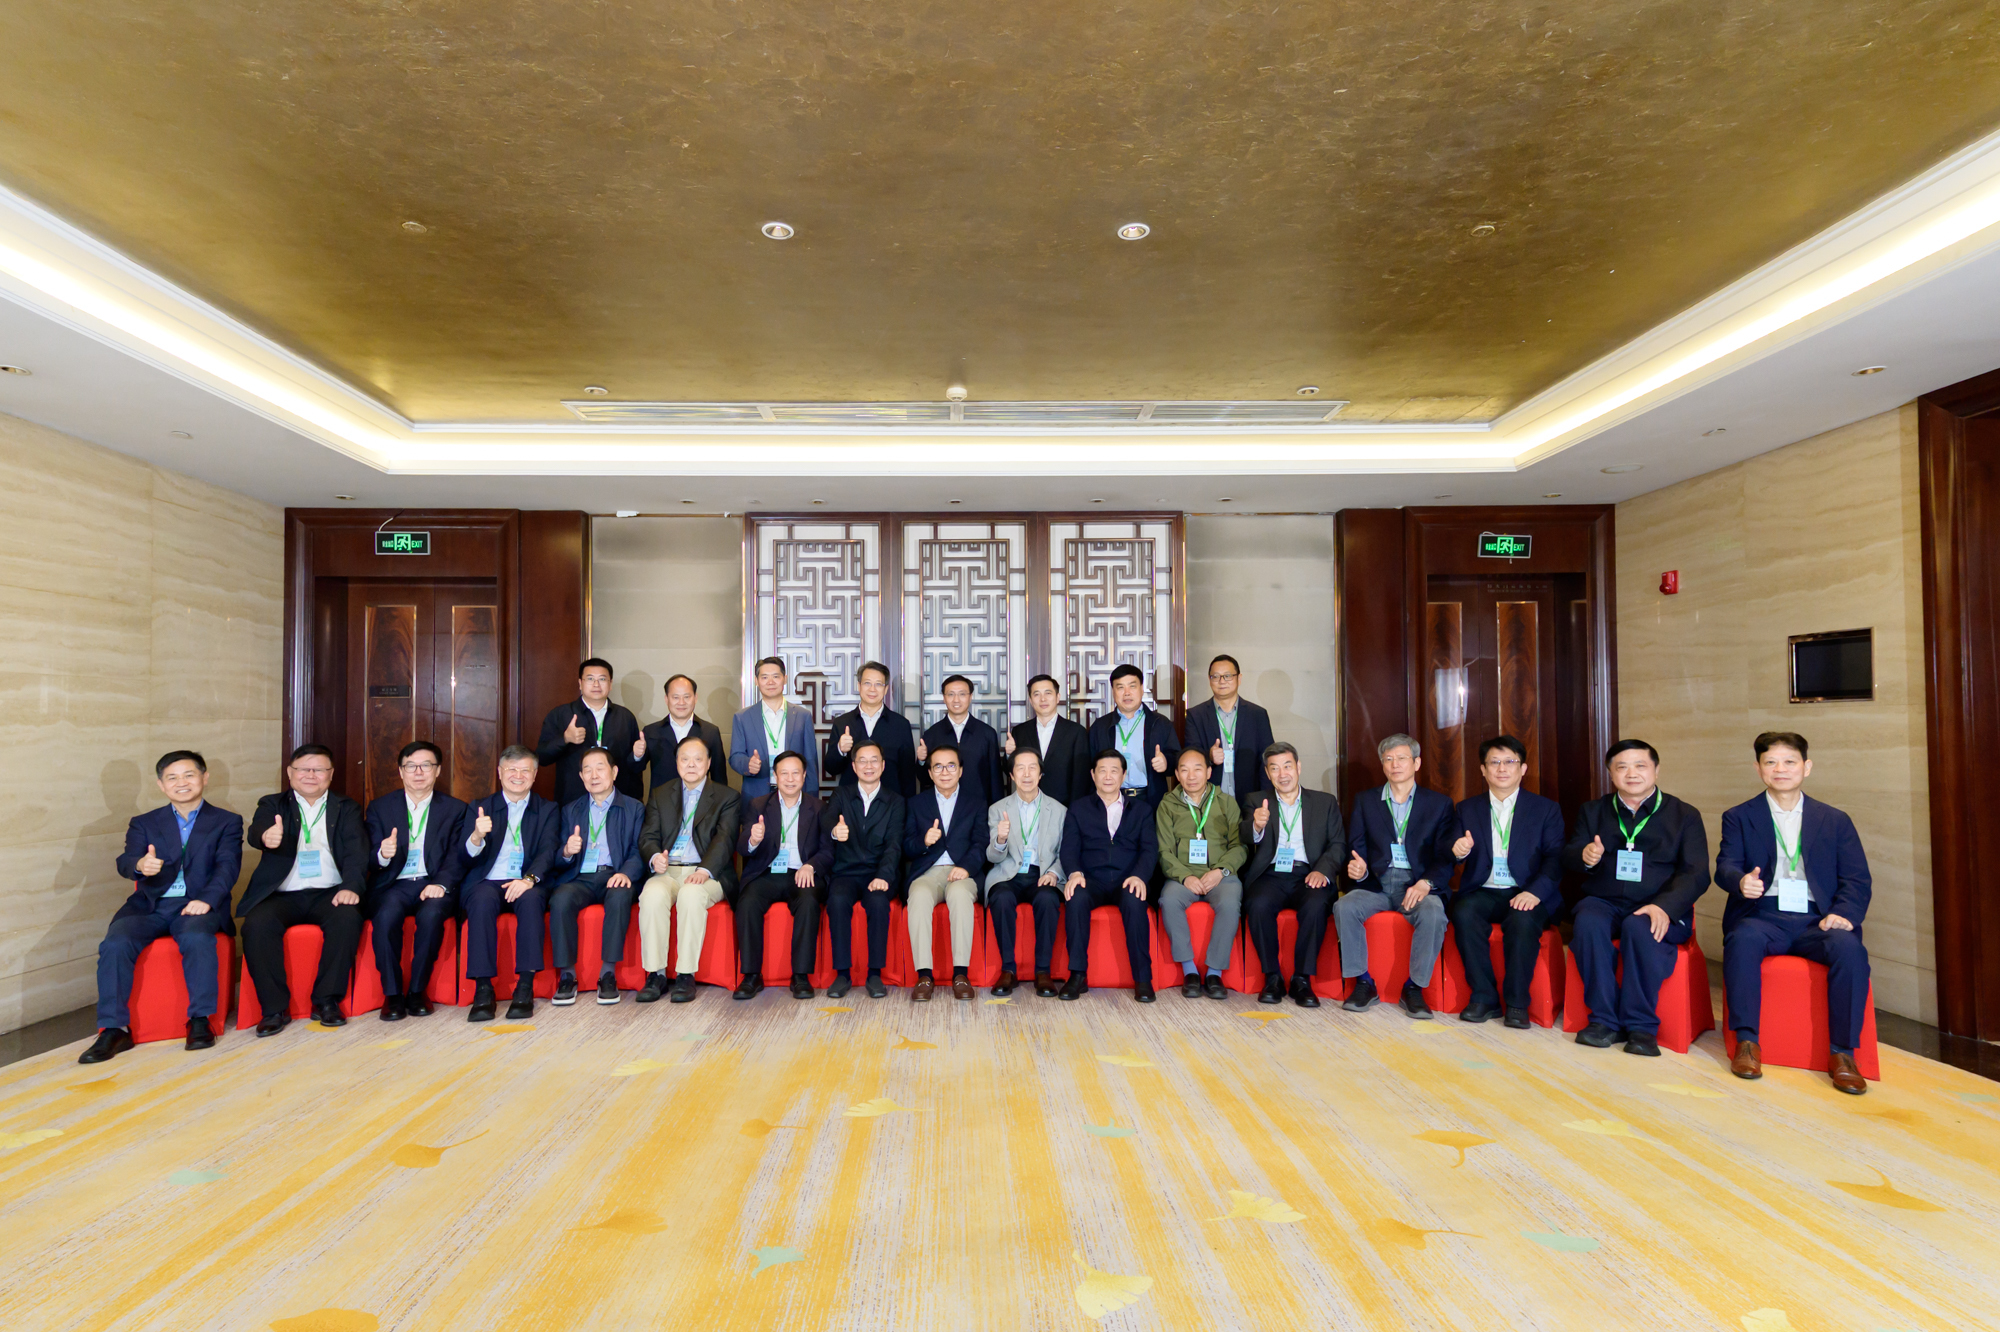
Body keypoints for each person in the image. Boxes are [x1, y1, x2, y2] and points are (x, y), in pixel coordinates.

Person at [1715, 732, 1872, 1094]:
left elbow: (1857, 878)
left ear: (1807, 767)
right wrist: (1740, 882)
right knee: (1742, 940)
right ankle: (1747, 1043)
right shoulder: (1739, 816)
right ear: (1758, 768)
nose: (1780, 769)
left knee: (1849, 949)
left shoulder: (1834, 820)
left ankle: (1843, 1054)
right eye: (1770, 762)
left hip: (1817, 918)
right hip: (1762, 914)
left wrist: (1843, 913)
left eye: (1789, 761)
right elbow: (1726, 865)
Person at [81, 751, 243, 1063]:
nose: (181, 782)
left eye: (189, 775)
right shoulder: (144, 823)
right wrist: (140, 865)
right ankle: (114, 1029)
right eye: (172, 777)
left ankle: (199, 1021)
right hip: (149, 906)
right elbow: (126, 861)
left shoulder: (227, 821)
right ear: (161, 784)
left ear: (204, 778)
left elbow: (228, 867)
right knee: (115, 943)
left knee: (196, 938)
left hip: (197, 904)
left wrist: (206, 900)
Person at [1564, 739, 1711, 1056]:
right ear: (1611, 773)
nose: (1632, 773)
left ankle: (1641, 1027)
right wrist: (1585, 856)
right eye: (1622, 767)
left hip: (1657, 903)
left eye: (1640, 766)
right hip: (1603, 900)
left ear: (1656, 770)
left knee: (1639, 927)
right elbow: (1571, 853)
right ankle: (1603, 1021)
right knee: (1587, 922)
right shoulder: (1593, 811)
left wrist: (1664, 906)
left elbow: (1697, 873)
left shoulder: (1684, 815)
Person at [238, 744, 369, 1035]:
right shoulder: (272, 804)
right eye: (303, 769)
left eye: (319, 769)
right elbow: (256, 832)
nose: (311, 775)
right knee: (256, 925)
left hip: (329, 891)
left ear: (331, 774)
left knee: (348, 919)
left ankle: (327, 1001)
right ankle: (273, 1009)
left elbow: (356, 852)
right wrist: (266, 836)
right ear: (290, 772)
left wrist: (351, 887)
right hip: (282, 894)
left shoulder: (346, 807)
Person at [1445, 735, 1566, 1028]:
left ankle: (1517, 1003)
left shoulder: (1545, 809)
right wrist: (1458, 851)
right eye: (1494, 762)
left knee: (1522, 920)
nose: (1502, 768)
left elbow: (1555, 858)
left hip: (1526, 890)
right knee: (1463, 912)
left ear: (1522, 769)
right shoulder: (1467, 808)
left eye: (1510, 761)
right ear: (1483, 770)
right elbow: (1452, 850)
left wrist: (1535, 892)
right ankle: (1484, 998)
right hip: (1483, 889)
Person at [1336, 733, 1457, 1017]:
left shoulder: (1438, 804)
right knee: (1345, 906)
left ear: (1417, 763)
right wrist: (1359, 869)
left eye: (1402, 758)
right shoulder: (1366, 800)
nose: (1395, 764)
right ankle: (1363, 982)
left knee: (1433, 912)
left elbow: (1444, 856)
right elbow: (1357, 847)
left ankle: (1414, 987)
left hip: (1416, 885)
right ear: (1382, 764)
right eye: (1388, 759)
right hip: (1376, 885)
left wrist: (1426, 883)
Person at [362, 741, 467, 1021]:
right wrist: (382, 855)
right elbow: (367, 857)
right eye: (411, 766)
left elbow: (456, 856)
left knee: (432, 916)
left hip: (433, 882)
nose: (418, 772)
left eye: (426, 765)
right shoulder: (380, 808)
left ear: (438, 770)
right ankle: (392, 994)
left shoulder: (455, 809)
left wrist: (441, 884)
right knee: (386, 917)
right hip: (393, 884)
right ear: (401, 771)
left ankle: (418, 991)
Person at [637, 735, 743, 1002]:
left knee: (691, 894)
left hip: (707, 873)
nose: (691, 765)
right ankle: (656, 974)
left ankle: (685, 975)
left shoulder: (727, 797)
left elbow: (725, 840)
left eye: (698, 759)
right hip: (668, 870)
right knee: (651, 895)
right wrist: (654, 857)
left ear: (708, 763)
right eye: (685, 759)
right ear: (677, 763)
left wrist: (704, 870)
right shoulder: (661, 794)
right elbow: (648, 836)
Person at [460, 746, 561, 1022]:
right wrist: (476, 837)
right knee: (481, 900)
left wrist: (528, 880)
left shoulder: (547, 809)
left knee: (531, 900)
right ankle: (483, 989)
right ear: (500, 772)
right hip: (487, 880)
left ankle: (525, 987)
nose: (518, 775)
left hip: (526, 879)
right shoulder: (480, 807)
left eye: (525, 770)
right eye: (512, 769)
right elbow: (463, 856)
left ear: (535, 774)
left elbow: (548, 850)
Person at [1239, 742, 1344, 1007]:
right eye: (1274, 768)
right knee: (1258, 904)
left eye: (1287, 766)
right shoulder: (1256, 800)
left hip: (1309, 872)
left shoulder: (1324, 802)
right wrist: (1256, 826)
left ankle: (1302, 979)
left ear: (1298, 767)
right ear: (1267, 773)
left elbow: (1338, 845)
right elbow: (1243, 835)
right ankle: (1272, 977)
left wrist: (1322, 870)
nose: (1282, 774)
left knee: (1316, 904)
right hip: (1270, 874)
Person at [548, 747, 647, 1006]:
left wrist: (626, 873)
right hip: (580, 878)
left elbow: (640, 849)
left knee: (620, 895)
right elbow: (556, 856)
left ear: (614, 772)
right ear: (581, 777)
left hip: (615, 874)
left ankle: (608, 974)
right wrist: (567, 852)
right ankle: (567, 976)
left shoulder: (634, 808)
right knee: (560, 899)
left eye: (600, 768)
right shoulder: (571, 810)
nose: (594, 775)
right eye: (587, 770)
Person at [1058, 750, 1160, 1002]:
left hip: (1128, 879)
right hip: (1091, 879)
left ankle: (1143, 979)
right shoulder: (1078, 809)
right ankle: (1077, 975)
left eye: (1114, 771)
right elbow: (1068, 849)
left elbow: (1149, 850)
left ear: (1123, 775)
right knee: (1075, 897)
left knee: (1135, 901)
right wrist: (1075, 873)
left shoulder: (1142, 810)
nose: (1108, 776)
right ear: (1093, 775)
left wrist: (1139, 876)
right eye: (1102, 770)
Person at [734, 751, 834, 1000]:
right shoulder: (758, 805)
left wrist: (811, 866)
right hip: (767, 872)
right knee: (747, 902)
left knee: (809, 901)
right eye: (784, 773)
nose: (790, 779)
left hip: (802, 872)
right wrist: (753, 839)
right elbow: (742, 847)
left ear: (804, 776)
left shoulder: (819, 807)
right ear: (775, 776)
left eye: (795, 773)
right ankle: (751, 976)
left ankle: (800, 976)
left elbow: (828, 850)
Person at [1156, 747, 1245, 999]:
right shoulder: (1168, 804)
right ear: (1176, 774)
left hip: (1221, 875)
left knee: (1230, 902)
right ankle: (1190, 971)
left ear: (1208, 772)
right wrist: (1185, 876)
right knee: (1169, 900)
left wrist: (1220, 871)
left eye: (1197, 769)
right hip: (1182, 876)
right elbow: (1164, 850)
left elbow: (1239, 846)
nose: (1191, 776)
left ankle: (1214, 973)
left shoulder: (1226, 802)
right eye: (1184, 770)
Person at [902, 744, 986, 1001]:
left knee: (960, 896)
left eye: (951, 766)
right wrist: (924, 842)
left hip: (963, 871)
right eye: (938, 767)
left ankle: (960, 975)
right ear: (929, 773)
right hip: (928, 871)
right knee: (918, 894)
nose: (945, 772)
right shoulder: (917, 803)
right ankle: (924, 976)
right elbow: (906, 846)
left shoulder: (976, 803)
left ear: (960, 770)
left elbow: (981, 842)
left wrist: (966, 867)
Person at [824, 739, 906, 999]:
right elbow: (826, 820)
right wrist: (835, 831)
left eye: (874, 761)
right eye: (862, 760)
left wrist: (883, 876)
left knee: (879, 903)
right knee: (837, 900)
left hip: (878, 872)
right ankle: (842, 974)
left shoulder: (895, 801)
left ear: (883, 765)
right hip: (846, 871)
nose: (868, 766)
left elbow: (894, 844)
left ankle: (874, 973)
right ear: (854, 766)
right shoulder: (841, 795)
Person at [984, 748, 1068, 997]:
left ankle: (1043, 971)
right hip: (1008, 873)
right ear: (1012, 775)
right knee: (1001, 898)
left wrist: (1054, 873)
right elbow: (993, 857)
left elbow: (1065, 852)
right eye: (1020, 768)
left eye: (1033, 768)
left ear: (1041, 774)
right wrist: (1000, 839)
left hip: (1042, 873)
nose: (1027, 774)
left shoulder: (1059, 810)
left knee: (1048, 899)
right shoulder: (998, 809)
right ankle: (1008, 969)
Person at [536, 658, 644, 806]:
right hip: (573, 801)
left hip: (617, 801)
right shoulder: (561, 715)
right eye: (590, 679)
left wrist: (638, 756)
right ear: (580, 683)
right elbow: (542, 757)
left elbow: (635, 769)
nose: (596, 684)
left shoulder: (625, 717)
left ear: (610, 684)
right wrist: (565, 739)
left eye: (602, 679)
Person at [1085, 664, 1178, 811]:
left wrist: (1167, 762)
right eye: (1120, 687)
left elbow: (1178, 759)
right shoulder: (1100, 726)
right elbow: (1089, 767)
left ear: (1141, 689)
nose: (1127, 693)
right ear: (1113, 692)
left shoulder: (1160, 723)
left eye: (1132, 686)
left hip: (1150, 801)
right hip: (1110, 800)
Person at [1181, 655, 1275, 801]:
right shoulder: (1196, 716)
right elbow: (1189, 757)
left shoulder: (1257, 715)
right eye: (1215, 676)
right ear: (1209, 680)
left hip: (1249, 798)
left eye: (1228, 676)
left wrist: (1265, 799)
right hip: (1210, 798)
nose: (1222, 681)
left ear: (1239, 678)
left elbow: (1267, 760)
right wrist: (1209, 756)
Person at [824, 661, 920, 797]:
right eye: (867, 683)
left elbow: (908, 775)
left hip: (890, 805)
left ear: (886, 689)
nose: (872, 689)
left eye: (878, 684)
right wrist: (840, 750)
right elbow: (831, 769)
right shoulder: (842, 723)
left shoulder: (901, 724)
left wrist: (906, 808)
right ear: (859, 686)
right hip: (851, 803)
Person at [730, 656, 819, 801]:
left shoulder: (803, 716)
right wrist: (747, 764)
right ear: (756, 681)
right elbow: (735, 756)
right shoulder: (742, 717)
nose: (770, 682)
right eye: (764, 677)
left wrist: (812, 798)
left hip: (795, 793)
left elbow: (810, 760)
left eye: (776, 676)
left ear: (785, 679)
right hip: (756, 794)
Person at [918, 675, 1003, 811]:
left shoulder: (987, 733)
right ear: (944, 698)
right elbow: (924, 779)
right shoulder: (932, 734)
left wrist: (996, 812)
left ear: (970, 697)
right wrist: (921, 761)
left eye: (962, 694)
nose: (956, 700)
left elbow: (995, 779)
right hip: (942, 808)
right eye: (951, 694)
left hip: (978, 808)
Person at [1005, 674, 1091, 806]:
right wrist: (1009, 755)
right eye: (1037, 694)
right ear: (1030, 700)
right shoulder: (1020, 731)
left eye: (1048, 693)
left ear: (1058, 697)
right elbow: (1009, 771)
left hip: (1063, 806)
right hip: (1027, 804)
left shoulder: (1076, 732)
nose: (1043, 699)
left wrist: (1075, 810)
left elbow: (1081, 777)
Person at [641, 674, 728, 795]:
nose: (681, 702)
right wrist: (637, 756)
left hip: (700, 802)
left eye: (686, 697)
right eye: (675, 697)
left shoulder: (710, 731)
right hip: (661, 802)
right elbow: (635, 769)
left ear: (695, 698)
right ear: (666, 699)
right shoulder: (651, 731)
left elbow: (719, 776)